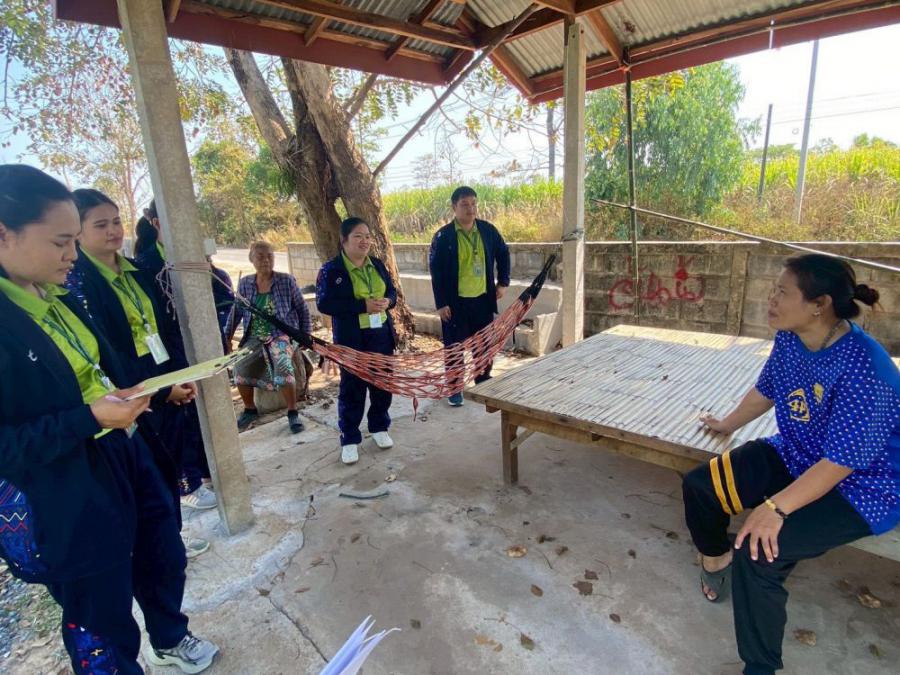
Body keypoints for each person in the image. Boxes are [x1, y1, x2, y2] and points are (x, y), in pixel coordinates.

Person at [0, 164, 218, 674]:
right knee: (101, 611)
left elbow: (103, 368)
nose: (72, 255)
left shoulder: (55, 296)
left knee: (162, 551)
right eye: (61, 242)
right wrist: (87, 418)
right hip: (69, 486)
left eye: (74, 241)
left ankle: (170, 637)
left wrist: (145, 395)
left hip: (125, 446)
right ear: (4, 235)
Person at [682, 254, 899, 675]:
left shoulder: (866, 369)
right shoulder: (790, 338)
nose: (771, 299)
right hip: (797, 453)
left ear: (819, 304)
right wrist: (727, 423)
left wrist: (775, 508)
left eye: (782, 292)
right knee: (700, 487)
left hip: (861, 486)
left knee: (758, 556)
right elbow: (768, 389)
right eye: (773, 289)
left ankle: (759, 667)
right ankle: (716, 560)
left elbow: (840, 464)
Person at [66, 188, 215, 556]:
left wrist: (179, 375)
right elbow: (108, 353)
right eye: (100, 225)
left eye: (116, 221)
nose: (113, 230)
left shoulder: (138, 270)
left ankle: (172, 537)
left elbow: (166, 328)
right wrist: (160, 391)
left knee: (170, 460)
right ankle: (164, 544)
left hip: (164, 373)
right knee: (150, 470)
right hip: (132, 389)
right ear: (77, 232)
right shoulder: (79, 284)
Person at [135, 199, 217, 510]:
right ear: (156, 223)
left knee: (199, 413)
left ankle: (207, 473)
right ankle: (188, 484)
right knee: (179, 417)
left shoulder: (191, 257)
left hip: (194, 344)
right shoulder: (144, 266)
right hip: (162, 354)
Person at [316, 217, 396, 465]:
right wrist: (362, 306)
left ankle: (379, 426)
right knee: (353, 388)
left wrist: (388, 302)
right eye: (358, 236)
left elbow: (392, 291)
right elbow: (325, 303)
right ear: (344, 240)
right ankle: (349, 438)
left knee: (382, 384)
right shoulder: (332, 270)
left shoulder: (377, 265)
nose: (364, 241)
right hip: (351, 339)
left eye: (367, 236)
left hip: (380, 335)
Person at [428, 186, 510, 406]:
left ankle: (483, 380)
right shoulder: (443, 236)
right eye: (464, 204)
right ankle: (455, 388)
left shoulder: (487, 230)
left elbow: (503, 253)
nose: (470, 209)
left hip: (483, 300)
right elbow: (436, 272)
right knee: (454, 349)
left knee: (483, 345)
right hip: (455, 304)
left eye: (473, 204)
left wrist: (503, 283)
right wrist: (441, 303)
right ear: (454, 207)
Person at [225, 240, 311, 434]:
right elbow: (236, 312)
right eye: (260, 257)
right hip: (254, 336)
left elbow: (302, 308)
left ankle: (292, 412)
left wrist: (305, 335)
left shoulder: (286, 281)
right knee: (239, 367)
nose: (266, 260)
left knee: (283, 366)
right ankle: (250, 409)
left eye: (270, 256)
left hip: (281, 335)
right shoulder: (246, 283)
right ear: (251, 260)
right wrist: (227, 336)